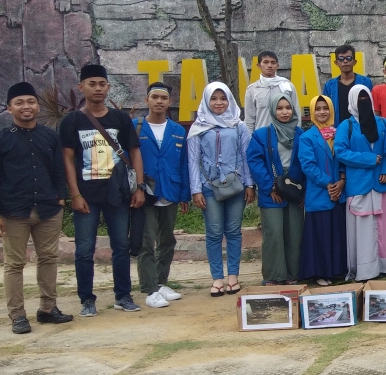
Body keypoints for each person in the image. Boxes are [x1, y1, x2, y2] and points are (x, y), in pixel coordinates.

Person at [61, 64, 145, 316]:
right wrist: (74, 194)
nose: (97, 88)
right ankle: (87, 299)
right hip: (86, 194)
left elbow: (134, 152)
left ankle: (123, 295)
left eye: (101, 84)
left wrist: (139, 187)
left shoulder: (120, 119)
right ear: (81, 87)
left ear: (108, 87)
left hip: (117, 192)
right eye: (91, 84)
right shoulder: (72, 121)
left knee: (121, 245)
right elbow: (67, 158)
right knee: (85, 249)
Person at [0, 82, 74, 334]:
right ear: (10, 108)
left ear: (37, 106)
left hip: (48, 210)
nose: (26, 107)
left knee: (49, 259)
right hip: (13, 211)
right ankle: (18, 315)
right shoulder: (0, 140)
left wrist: (60, 199)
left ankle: (48, 309)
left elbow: (58, 170)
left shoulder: (50, 136)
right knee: (14, 264)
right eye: (19, 103)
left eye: (30, 101)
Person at [188, 82, 255, 297]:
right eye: (214, 99)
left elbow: (246, 157)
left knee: (234, 231)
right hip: (209, 187)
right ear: (207, 101)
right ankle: (217, 278)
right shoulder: (198, 126)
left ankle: (233, 276)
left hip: (235, 186)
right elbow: (193, 161)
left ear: (229, 100)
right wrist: (195, 190)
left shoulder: (238, 126)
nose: (219, 103)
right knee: (214, 232)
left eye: (223, 98)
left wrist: (250, 184)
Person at [133, 82, 190, 308]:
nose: (159, 101)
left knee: (167, 240)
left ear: (170, 102)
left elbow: (184, 164)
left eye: (163, 98)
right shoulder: (135, 127)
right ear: (147, 100)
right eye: (154, 97)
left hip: (171, 191)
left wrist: (184, 194)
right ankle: (149, 289)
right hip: (145, 192)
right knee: (146, 241)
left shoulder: (177, 130)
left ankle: (161, 282)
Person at [337, 87, 386, 280]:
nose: (363, 101)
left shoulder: (382, 123)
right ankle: (365, 269)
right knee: (362, 229)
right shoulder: (345, 126)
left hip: (380, 183)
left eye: (366, 97)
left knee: (384, 227)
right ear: (352, 101)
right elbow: (340, 151)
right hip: (358, 184)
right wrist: (369, 159)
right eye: (359, 98)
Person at [247, 89, 304, 285]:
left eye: (288, 107)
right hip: (271, 192)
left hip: (295, 191)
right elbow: (254, 161)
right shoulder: (261, 135)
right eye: (279, 108)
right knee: (273, 234)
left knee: (294, 233)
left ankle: (292, 274)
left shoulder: (300, 134)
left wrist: (302, 190)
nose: (285, 112)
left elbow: (306, 162)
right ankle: (273, 275)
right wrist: (270, 187)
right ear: (272, 110)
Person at [297, 95, 347, 286]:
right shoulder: (307, 137)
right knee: (320, 234)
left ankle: (337, 270)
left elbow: (343, 159)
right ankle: (320, 272)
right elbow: (308, 166)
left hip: (339, 191)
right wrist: (329, 184)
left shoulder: (339, 133)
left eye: (325, 108)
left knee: (336, 232)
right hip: (319, 193)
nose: (322, 112)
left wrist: (341, 181)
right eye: (317, 109)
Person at [322, 44, 374, 125]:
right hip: (338, 129)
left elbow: (371, 107)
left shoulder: (365, 82)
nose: (345, 61)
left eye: (349, 58)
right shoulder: (329, 86)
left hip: (361, 128)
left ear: (354, 62)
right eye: (341, 58)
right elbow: (326, 109)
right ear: (336, 62)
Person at [243, 51, 291, 130]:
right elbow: (249, 119)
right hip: (261, 137)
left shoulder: (287, 86)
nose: (269, 65)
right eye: (265, 62)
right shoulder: (252, 89)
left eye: (273, 63)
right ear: (259, 65)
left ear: (277, 66)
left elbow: (296, 113)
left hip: (284, 136)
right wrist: (251, 139)